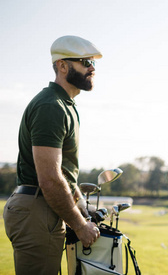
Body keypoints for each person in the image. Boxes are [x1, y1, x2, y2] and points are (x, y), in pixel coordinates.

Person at [3, 35, 103, 275]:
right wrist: (80, 225)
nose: (92, 68)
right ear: (62, 66)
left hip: (45, 207)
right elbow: (49, 177)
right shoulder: (51, 106)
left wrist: (81, 206)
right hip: (38, 208)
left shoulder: (66, 105)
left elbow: (65, 173)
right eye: (85, 62)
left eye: (94, 63)